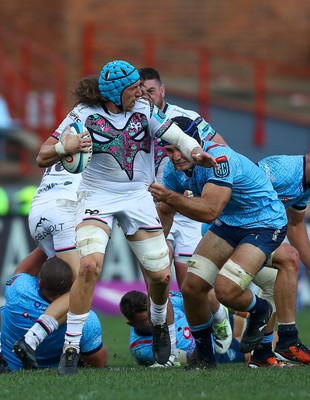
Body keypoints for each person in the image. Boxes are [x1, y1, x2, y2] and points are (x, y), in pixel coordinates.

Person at [33, 60, 218, 375]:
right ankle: (70, 347)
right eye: (134, 88)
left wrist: (192, 148)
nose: (141, 92)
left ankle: (159, 322)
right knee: (89, 266)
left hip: (137, 196)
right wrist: (67, 145)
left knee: (160, 277)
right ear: (116, 93)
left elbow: (169, 130)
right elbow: (42, 155)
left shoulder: (144, 110)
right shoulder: (82, 114)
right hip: (96, 197)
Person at [149, 116, 308, 370]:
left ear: (196, 143)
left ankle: (261, 311)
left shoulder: (218, 160)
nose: (176, 156)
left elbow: (210, 211)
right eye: (170, 150)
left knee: (226, 290)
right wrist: (158, 247)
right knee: (192, 287)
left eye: (180, 148)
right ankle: (205, 357)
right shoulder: (172, 171)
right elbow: (166, 210)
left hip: (264, 222)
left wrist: (170, 197)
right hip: (231, 223)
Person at [139, 67, 232, 356]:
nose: (146, 97)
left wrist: (203, 185)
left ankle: (218, 317)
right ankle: (168, 346)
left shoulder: (187, 119)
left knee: (190, 282)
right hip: (152, 209)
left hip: (187, 209)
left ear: (163, 90)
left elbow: (221, 149)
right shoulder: (133, 122)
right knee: (158, 275)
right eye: (140, 93)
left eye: (151, 91)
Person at [12, 162, 82, 369]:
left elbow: (41, 155)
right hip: (66, 207)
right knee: (81, 288)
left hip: (37, 213)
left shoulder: (63, 135)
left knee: (60, 278)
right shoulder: (101, 133)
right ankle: (33, 339)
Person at [1, 253, 108, 371]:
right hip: (49, 369)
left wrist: (45, 245)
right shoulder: (86, 319)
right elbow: (98, 361)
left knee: (4, 312)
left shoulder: (18, 289)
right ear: (73, 284)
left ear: (40, 282)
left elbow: (22, 271)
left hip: (10, 365)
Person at [119, 290, 247, 367]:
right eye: (144, 320)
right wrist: (203, 342)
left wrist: (241, 312)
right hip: (209, 348)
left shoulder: (165, 302)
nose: (153, 320)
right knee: (251, 348)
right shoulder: (141, 349)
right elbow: (187, 358)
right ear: (131, 324)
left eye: (152, 314)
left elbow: (199, 300)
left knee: (250, 323)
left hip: (213, 324)